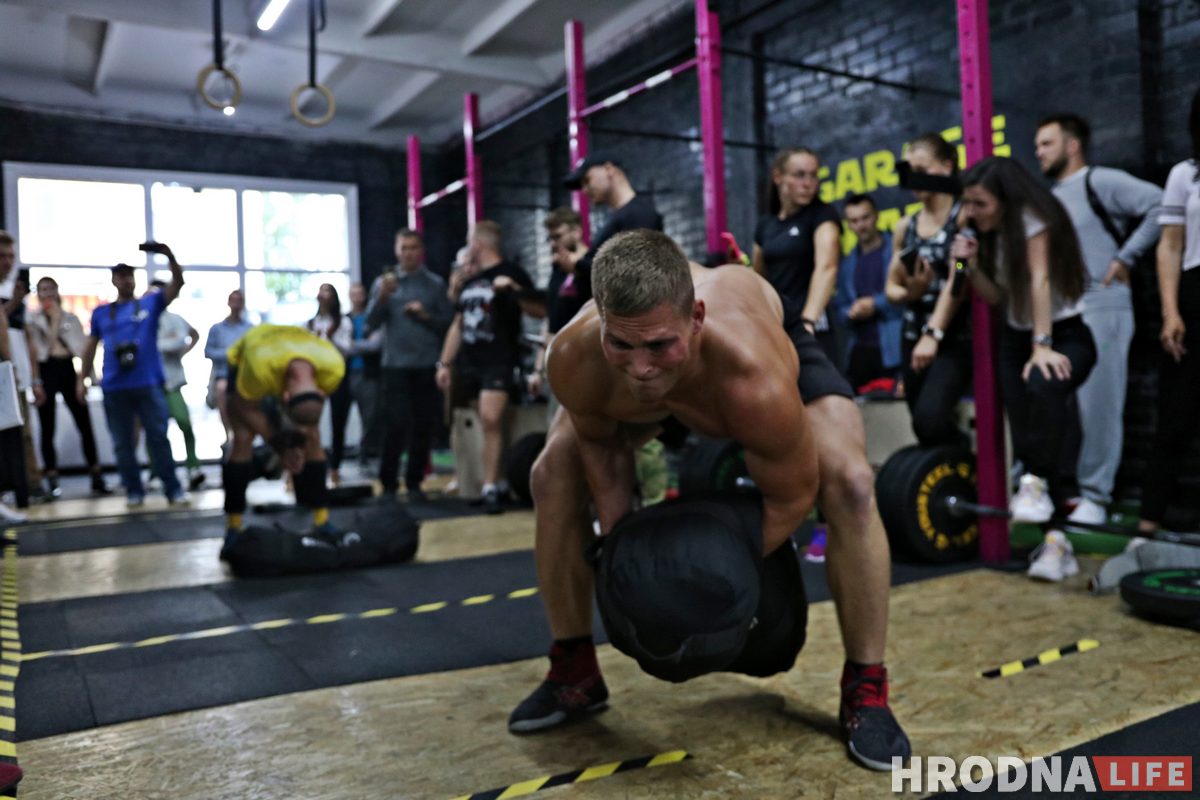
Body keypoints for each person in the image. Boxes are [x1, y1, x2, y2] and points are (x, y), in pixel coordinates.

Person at [509, 230, 911, 771]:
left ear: (696, 318)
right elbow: (602, 447)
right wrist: (629, 561)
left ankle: (866, 686)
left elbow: (792, 495)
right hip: (667, 372)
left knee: (852, 483)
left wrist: (716, 577)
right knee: (550, 475)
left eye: (658, 345)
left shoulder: (753, 373)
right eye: (621, 344)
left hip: (743, 359)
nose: (641, 367)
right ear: (600, 325)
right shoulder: (576, 358)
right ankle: (573, 667)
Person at [952, 157, 1096, 581]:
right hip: (1017, 338)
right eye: (968, 204)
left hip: (1062, 333)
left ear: (1005, 199)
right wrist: (967, 262)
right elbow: (993, 297)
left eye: (980, 203)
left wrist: (1043, 344)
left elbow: (1040, 281)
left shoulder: (1033, 218)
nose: (973, 212)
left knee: (1044, 386)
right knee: (1027, 425)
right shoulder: (985, 234)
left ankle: (1032, 479)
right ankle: (1055, 542)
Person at [1034, 113, 1163, 525]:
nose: (1038, 152)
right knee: (1059, 405)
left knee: (1101, 405)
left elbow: (1163, 204)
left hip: (1104, 305)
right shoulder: (1048, 199)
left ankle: (1097, 496)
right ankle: (1061, 490)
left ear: (1072, 146)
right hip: (1063, 315)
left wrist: (1126, 257)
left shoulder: (1099, 181)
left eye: (1047, 144)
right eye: (1037, 145)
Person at [77, 245, 190, 508]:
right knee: (122, 443)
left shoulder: (151, 303)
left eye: (129, 275)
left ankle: (172, 489)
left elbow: (178, 283)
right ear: (114, 280)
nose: (126, 279)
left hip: (149, 383)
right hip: (115, 387)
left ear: (134, 279)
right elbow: (90, 347)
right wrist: (81, 379)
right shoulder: (102, 313)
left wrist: (169, 255)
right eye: (121, 275)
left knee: (159, 438)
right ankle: (133, 491)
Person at [220, 323, 345, 558]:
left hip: (290, 360)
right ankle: (234, 526)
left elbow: (309, 417)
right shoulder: (258, 369)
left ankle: (322, 519)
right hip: (247, 360)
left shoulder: (333, 367)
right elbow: (242, 407)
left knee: (312, 436)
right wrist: (280, 446)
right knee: (244, 437)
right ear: (284, 397)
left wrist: (298, 443)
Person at [436, 221, 535, 513]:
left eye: (470, 242)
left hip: (499, 360)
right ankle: (499, 482)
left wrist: (514, 290)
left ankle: (490, 486)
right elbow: (458, 324)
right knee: (487, 424)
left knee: (492, 420)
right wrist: (444, 363)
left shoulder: (512, 273)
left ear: (478, 244)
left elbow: (538, 310)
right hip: (470, 363)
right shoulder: (470, 281)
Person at [884, 133, 973, 447]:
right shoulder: (904, 226)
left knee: (930, 419)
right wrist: (913, 292)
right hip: (912, 335)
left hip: (952, 337)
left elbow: (959, 275)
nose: (914, 177)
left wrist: (934, 333)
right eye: (910, 169)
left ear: (947, 168)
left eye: (922, 168)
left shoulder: (963, 216)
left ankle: (967, 455)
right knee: (922, 425)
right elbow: (892, 288)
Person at [1139, 89, 1200, 536]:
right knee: (1175, 418)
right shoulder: (1186, 175)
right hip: (1194, 295)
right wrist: (1170, 311)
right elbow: (1170, 245)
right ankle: (1147, 525)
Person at [367, 229, 454, 502]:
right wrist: (382, 298)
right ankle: (389, 484)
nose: (408, 252)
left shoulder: (435, 285)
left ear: (421, 251)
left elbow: (448, 325)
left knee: (423, 425)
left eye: (414, 247)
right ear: (396, 251)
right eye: (404, 247)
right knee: (395, 423)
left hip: (426, 364)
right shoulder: (384, 283)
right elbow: (370, 323)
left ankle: (415, 483)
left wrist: (425, 315)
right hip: (394, 365)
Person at [753, 148, 841, 360]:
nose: (808, 183)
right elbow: (759, 278)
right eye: (800, 175)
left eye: (813, 175)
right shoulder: (765, 226)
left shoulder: (822, 215)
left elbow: (827, 267)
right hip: (778, 327)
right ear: (778, 177)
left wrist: (807, 322)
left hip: (814, 327)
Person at [26, 276, 111, 497]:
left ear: (57, 291)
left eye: (51, 289)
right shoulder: (34, 320)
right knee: (48, 426)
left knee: (84, 421)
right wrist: (35, 382)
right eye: (43, 290)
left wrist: (84, 380)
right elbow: (38, 353)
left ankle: (96, 473)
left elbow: (83, 350)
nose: (47, 294)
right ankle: (52, 477)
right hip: (46, 371)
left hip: (66, 369)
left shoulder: (70, 319)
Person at [561, 151, 664, 299]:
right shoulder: (620, 217)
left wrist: (578, 265)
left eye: (587, 180)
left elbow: (633, 272)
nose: (584, 189)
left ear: (609, 169)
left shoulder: (640, 214)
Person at [834, 193, 902, 392]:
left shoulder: (895, 251)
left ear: (877, 216)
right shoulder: (847, 264)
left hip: (893, 347)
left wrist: (875, 304)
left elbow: (910, 294)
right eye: (854, 221)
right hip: (860, 351)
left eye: (865, 218)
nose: (861, 225)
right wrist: (851, 312)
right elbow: (839, 308)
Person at [530, 208, 589, 416]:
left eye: (558, 236)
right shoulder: (557, 272)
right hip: (557, 364)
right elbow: (550, 319)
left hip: (585, 365)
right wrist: (538, 370)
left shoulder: (590, 268)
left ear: (576, 232)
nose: (553, 243)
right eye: (550, 238)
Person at [151, 279, 205, 490]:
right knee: (156, 431)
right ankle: (157, 471)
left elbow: (188, 337)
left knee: (184, 422)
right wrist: (169, 344)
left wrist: (180, 349)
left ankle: (193, 467)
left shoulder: (175, 318)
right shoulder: (147, 320)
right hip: (153, 384)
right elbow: (165, 344)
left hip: (173, 382)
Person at [306, 283, 353, 486]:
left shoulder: (343, 322)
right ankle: (311, 465)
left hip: (337, 376)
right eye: (321, 291)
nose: (323, 295)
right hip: (314, 377)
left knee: (338, 422)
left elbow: (347, 350)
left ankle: (335, 468)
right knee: (309, 422)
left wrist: (329, 338)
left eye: (328, 291)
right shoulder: (309, 324)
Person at [205, 290, 254, 448]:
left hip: (244, 376)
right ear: (228, 302)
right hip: (224, 375)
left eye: (239, 300)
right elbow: (208, 352)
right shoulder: (217, 329)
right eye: (233, 300)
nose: (236, 304)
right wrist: (229, 354)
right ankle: (229, 434)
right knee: (222, 390)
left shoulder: (249, 328)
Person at [344, 282, 383, 470]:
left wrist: (350, 345)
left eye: (360, 293)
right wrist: (359, 345)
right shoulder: (344, 320)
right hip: (347, 375)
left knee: (370, 416)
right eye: (354, 293)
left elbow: (375, 346)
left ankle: (366, 452)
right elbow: (340, 346)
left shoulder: (372, 318)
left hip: (368, 374)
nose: (357, 296)